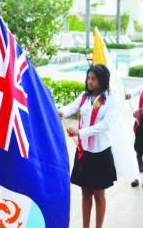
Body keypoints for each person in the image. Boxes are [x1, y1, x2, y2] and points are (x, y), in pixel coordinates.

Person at [58, 64, 117, 228]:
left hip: (100, 153)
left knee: (99, 194)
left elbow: (106, 124)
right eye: (88, 78)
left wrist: (81, 132)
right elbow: (72, 107)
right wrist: (61, 111)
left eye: (94, 79)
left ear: (102, 80)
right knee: (85, 193)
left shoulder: (110, 100)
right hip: (84, 151)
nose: (89, 82)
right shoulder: (84, 96)